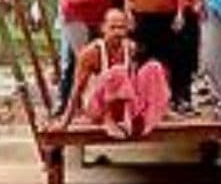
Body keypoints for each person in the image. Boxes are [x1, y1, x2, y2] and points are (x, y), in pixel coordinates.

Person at [59, 8, 170, 139]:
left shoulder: (131, 48)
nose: (118, 32)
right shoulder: (90, 53)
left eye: (121, 28)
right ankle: (108, 121)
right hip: (98, 107)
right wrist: (65, 122)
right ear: (103, 28)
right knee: (118, 71)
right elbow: (77, 88)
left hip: (124, 107)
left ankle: (149, 116)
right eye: (113, 28)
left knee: (154, 67)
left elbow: (134, 80)